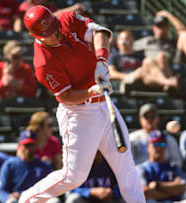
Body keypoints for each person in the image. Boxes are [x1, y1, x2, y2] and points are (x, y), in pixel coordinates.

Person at [19, 6, 146, 203]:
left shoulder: (66, 19)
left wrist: (102, 61)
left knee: (126, 167)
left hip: (104, 104)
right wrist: (91, 91)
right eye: (49, 33)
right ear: (37, 36)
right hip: (79, 113)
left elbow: (100, 32)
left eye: (54, 27)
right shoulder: (43, 63)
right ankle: (28, 199)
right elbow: (67, 96)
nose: (55, 33)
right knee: (74, 177)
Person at [133, 10, 186, 80]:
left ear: (167, 28)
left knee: (184, 34)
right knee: (159, 57)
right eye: (159, 26)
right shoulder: (148, 41)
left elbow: (183, 30)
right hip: (155, 68)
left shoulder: (172, 42)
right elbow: (128, 47)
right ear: (154, 28)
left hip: (173, 64)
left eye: (164, 26)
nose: (161, 29)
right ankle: (169, 82)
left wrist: (169, 15)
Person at [138, 130, 186, 203]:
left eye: (162, 144)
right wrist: (172, 191)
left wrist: (158, 186)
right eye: (155, 144)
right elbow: (144, 192)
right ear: (148, 146)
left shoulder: (173, 167)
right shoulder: (142, 168)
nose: (159, 148)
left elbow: (181, 188)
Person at [0, 130, 59, 203]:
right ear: (19, 146)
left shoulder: (43, 165)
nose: (28, 149)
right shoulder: (10, 164)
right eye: (26, 145)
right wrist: (9, 197)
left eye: (31, 145)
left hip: (39, 199)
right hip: (19, 200)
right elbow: (1, 191)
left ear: (36, 146)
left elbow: (53, 187)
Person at [108, 30, 178, 91]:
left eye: (128, 38)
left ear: (133, 41)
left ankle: (166, 83)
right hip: (128, 79)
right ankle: (168, 82)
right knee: (144, 71)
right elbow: (111, 73)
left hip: (144, 78)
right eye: (122, 39)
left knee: (148, 61)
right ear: (117, 42)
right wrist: (127, 76)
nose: (125, 41)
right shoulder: (114, 56)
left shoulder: (140, 56)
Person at [130, 103, 182, 167]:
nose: (150, 120)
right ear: (140, 120)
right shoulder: (132, 138)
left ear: (158, 118)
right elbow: (128, 162)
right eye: (146, 117)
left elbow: (176, 162)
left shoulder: (168, 139)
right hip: (139, 174)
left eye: (153, 117)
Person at [19, 0, 85, 17]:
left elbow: (57, 14)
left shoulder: (47, 6)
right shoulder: (25, 6)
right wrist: (72, 8)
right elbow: (51, 15)